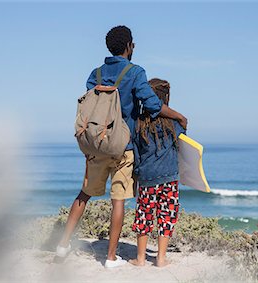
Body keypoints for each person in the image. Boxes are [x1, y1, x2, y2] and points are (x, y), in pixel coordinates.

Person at [56, 26, 187, 268]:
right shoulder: (135, 72)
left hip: (97, 145)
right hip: (122, 146)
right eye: (133, 44)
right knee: (118, 201)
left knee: (84, 195)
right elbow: (152, 105)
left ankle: (62, 247)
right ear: (129, 46)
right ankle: (110, 257)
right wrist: (178, 116)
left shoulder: (94, 74)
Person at [129, 78, 185, 267]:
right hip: (169, 178)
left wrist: (136, 178)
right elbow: (185, 147)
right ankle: (161, 258)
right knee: (167, 216)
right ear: (166, 99)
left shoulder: (138, 125)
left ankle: (141, 258)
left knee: (144, 216)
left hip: (147, 179)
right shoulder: (174, 125)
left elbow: (136, 156)